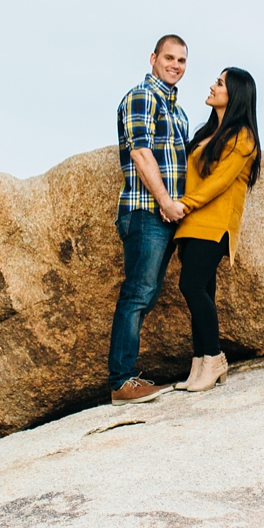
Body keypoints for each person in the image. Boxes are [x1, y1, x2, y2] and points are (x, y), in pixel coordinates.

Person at [107, 34, 190, 404]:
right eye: (169, 58)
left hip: (167, 216)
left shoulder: (178, 111)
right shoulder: (143, 97)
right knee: (137, 294)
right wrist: (165, 202)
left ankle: (127, 376)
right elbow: (141, 154)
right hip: (146, 212)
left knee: (147, 294)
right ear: (153, 57)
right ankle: (121, 381)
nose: (175, 65)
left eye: (182, 61)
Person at [173, 68, 262, 394]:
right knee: (202, 293)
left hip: (214, 225)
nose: (212, 85)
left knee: (191, 286)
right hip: (193, 224)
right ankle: (200, 364)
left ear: (235, 94)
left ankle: (213, 358)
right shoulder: (208, 132)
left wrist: (184, 204)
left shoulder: (243, 137)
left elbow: (221, 181)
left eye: (220, 83)